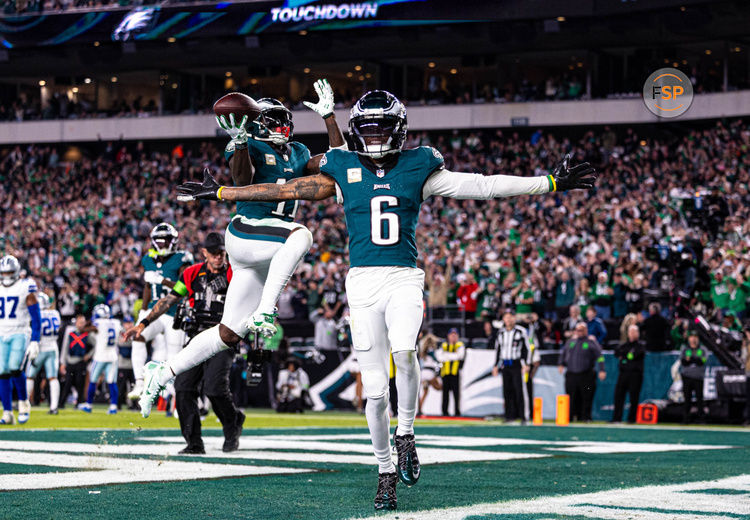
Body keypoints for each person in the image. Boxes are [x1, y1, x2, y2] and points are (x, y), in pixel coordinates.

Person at [176, 89, 596, 510]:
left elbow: (482, 186)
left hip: (403, 278)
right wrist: (224, 194)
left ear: (398, 130)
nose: (375, 139)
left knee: (406, 351)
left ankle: (407, 434)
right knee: (375, 393)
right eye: (368, 131)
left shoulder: (420, 164)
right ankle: (385, 471)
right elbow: (289, 189)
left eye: (381, 130)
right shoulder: (343, 166)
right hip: (361, 284)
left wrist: (550, 183)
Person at [138, 79, 345, 420]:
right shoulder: (248, 145)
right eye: (273, 119)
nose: (282, 125)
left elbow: (341, 161)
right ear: (258, 122)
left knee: (227, 334)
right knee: (302, 235)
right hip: (247, 232)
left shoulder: (299, 153)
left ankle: (160, 374)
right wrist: (240, 141)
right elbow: (242, 179)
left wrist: (329, 118)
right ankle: (266, 310)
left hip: (267, 251)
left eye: (284, 119)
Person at [124, 232, 245, 453]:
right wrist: (142, 324)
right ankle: (194, 443)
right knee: (183, 387)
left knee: (214, 388)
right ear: (205, 253)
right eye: (215, 253)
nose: (219, 257)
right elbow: (169, 299)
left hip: (222, 338)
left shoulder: (234, 273)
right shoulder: (191, 274)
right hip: (196, 337)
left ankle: (232, 423)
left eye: (222, 253)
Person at [128, 223, 192, 400]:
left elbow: (185, 287)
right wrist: (142, 310)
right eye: (159, 240)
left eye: (166, 240)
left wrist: (162, 280)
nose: (162, 243)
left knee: (175, 356)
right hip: (154, 312)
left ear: (173, 241)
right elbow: (148, 287)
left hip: (175, 312)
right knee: (138, 336)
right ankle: (139, 382)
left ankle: (177, 398)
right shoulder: (148, 259)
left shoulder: (182, 258)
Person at [0, 255, 41, 425]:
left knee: (14, 368)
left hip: (20, 331)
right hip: (2, 333)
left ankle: (24, 403)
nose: (7, 275)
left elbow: (36, 316)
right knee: (2, 373)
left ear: (16, 272)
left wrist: (35, 340)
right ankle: (7, 413)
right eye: (4, 272)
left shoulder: (26, 286)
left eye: (10, 272)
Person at [558, 321, 607, 422]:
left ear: (586, 331)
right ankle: (570, 416)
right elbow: (563, 353)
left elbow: (600, 357)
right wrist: (561, 364)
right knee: (571, 396)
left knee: (587, 396)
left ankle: (586, 417)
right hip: (571, 374)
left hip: (586, 374)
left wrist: (602, 369)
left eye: (581, 330)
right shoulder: (571, 342)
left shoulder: (591, 342)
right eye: (577, 330)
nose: (579, 332)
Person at [80, 304, 122, 414]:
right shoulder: (116, 323)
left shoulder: (99, 323)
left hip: (100, 356)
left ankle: (89, 405)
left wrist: (91, 320)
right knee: (112, 382)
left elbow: (83, 329)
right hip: (113, 355)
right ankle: (113, 406)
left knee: (93, 381)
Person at [25, 292, 62, 415]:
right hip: (53, 347)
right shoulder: (56, 313)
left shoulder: (36, 314)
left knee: (30, 376)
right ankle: (54, 407)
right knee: (53, 378)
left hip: (40, 347)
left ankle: (24, 403)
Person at [491, 311, 529, 422]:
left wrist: (526, 363)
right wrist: (495, 365)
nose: (508, 320)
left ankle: (523, 416)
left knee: (519, 390)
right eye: (506, 318)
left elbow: (526, 348)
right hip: (505, 364)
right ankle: (509, 416)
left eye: (510, 318)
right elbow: (498, 350)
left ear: (514, 319)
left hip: (516, 363)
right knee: (507, 391)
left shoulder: (520, 331)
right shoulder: (501, 333)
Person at [58, 314, 96, 410]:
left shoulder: (88, 334)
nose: (81, 325)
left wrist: (89, 355)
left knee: (80, 384)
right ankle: (61, 403)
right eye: (79, 322)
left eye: (83, 323)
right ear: (76, 323)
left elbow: (96, 345)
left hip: (80, 362)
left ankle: (79, 403)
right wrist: (63, 363)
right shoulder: (71, 333)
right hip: (70, 361)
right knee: (67, 384)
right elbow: (65, 347)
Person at [611, 324, 645, 423]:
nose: (632, 334)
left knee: (634, 397)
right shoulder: (624, 345)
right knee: (618, 396)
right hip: (623, 374)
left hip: (635, 375)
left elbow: (634, 355)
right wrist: (626, 355)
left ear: (638, 333)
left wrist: (624, 356)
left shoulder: (640, 346)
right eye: (630, 331)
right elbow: (617, 352)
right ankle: (616, 418)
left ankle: (631, 419)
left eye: (634, 332)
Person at [436, 328, 465, 416]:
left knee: (456, 394)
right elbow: (439, 357)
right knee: (445, 394)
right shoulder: (444, 345)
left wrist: (447, 356)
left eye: (455, 334)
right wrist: (453, 356)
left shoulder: (460, 345)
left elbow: (460, 356)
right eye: (451, 334)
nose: (453, 336)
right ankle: (444, 412)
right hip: (445, 373)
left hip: (455, 373)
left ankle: (457, 411)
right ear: (448, 336)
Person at [680, 331, 707, 424]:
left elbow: (702, 361)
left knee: (700, 398)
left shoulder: (702, 349)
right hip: (687, 376)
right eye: (691, 337)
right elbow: (684, 361)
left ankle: (701, 419)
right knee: (687, 398)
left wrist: (691, 359)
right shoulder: (685, 349)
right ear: (688, 338)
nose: (693, 339)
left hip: (698, 377)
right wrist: (694, 359)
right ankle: (686, 418)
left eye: (695, 337)